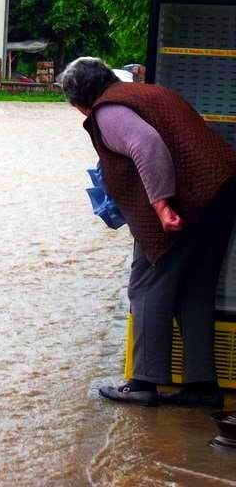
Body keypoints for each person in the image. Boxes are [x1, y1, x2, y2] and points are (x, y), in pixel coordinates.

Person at [59, 57, 236, 407]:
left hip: (189, 199)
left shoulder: (108, 111)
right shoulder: (148, 93)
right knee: (195, 289)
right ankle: (202, 386)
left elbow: (148, 145)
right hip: (221, 190)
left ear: (81, 102)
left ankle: (143, 382)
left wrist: (161, 205)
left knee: (146, 286)